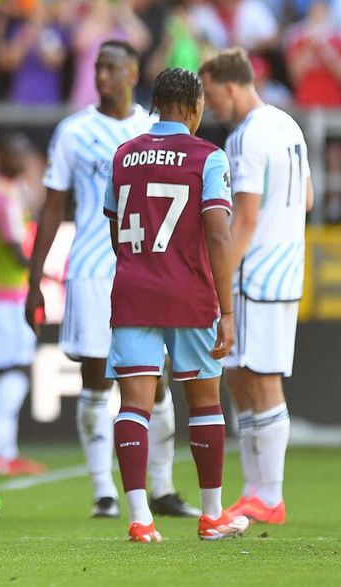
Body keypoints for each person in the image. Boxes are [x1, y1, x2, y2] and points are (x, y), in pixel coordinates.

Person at [25, 41, 197, 519]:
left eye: (111, 67)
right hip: (91, 268)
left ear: (133, 72)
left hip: (148, 270)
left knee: (155, 380)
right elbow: (53, 206)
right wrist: (35, 278)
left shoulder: (153, 129)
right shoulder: (74, 131)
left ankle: (161, 488)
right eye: (97, 67)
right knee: (96, 379)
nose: (102, 75)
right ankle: (104, 489)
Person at [104, 67, 248, 543]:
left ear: (154, 105)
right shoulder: (209, 157)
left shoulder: (123, 156)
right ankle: (212, 516)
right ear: (193, 106)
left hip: (133, 290)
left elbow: (115, 228)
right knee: (204, 398)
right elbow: (217, 231)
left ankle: (140, 519)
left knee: (135, 405)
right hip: (189, 291)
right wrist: (226, 310)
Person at [199, 48, 313, 526]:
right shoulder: (287, 123)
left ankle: (268, 495)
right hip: (285, 268)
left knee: (258, 381)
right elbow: (305, 198)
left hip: (254, 277)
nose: (208, 106)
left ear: (229, 86)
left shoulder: (245, 137)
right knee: (244, 377)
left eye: (209, 94)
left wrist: (218, 279)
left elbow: (242, 221)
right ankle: (256, 491)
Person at [0, 134, 47, 477]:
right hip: (9, 295)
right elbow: (15, 248)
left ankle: (6, 450)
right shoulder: (4, 197)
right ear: (5, 158)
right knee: (13, 370)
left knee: (8, 369)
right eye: (18, 157)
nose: (24, 165)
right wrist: (40, 272)